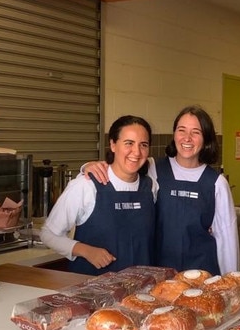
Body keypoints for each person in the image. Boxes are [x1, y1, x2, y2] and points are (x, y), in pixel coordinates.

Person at [82, 105, 239, 275]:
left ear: (206, 138)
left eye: (196, 132)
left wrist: (232, 283)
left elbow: (227, 241)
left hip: (202, 275)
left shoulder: (217, 183)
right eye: (181, 130)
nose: (187, 138)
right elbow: (117, 171)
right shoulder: (152, 168)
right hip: (158, 275)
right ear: (174, 134)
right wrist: (87, 167)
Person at [40, 115, 158, 275]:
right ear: (113, 145)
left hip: (140, 291)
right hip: (92, 291)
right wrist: (86, 251)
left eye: (143, 145)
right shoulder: (86, 185)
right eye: (128, 143)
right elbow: (48, 234)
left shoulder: (150, 187)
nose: (136, 152)